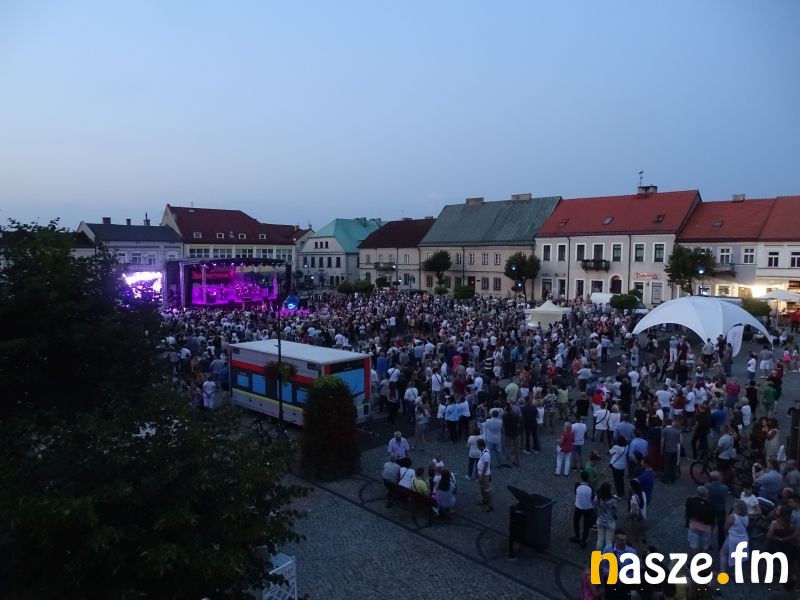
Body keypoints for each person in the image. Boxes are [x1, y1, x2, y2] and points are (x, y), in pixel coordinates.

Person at [600, 529, 638, 600]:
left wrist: (625, 577)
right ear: (615, 539)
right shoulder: (608, 549)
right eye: (621, 540)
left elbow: (636, 570)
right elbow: (603, 566)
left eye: (625, 540)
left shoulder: (632, 552)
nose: (623, 542)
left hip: (625, 584)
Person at [719, 500, 749, 574]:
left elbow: (725, 527)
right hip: (744, 539)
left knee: (723, 553)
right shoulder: (747, 517)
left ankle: (722, 573)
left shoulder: (733, 517)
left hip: (733, 538)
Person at [685, 486, 715, 555]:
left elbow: (686, 513)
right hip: (706, 528)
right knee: (705, 545)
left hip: (693, 525)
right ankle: (702, 558)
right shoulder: (710, 506)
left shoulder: (690, 501)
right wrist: (712, 527)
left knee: (693, 545)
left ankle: (693, 558)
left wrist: (686, 522)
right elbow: (713, 519)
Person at [570, 471, 595, 549]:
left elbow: (575, 492)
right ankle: (583, 541)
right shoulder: (591, 488)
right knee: (586, 526)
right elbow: (592, 498)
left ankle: (577, 536)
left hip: (578, 506)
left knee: (576, 522)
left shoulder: (577, 485)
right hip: (588, 508)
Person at [705, 471, 729, 550]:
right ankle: (721, 545)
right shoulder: (724, 488)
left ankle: (708, 544)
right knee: (721, 528)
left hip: (710, 509)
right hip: (721, 509)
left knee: (709, 527)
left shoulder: (707, 486)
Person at [595, 482, 618, 551]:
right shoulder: (613, 500)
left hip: (600, 520)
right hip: (610, 521)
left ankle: (597, 556)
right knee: (609, 542)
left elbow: (595, 507)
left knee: (600, 539)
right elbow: (616, 510)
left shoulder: (598, 498)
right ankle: (608, 556)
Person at [627, 479, 648, 547]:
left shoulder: (634, 498)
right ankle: (644, 544)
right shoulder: (643, 493)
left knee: (636, 535)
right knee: (642, 534)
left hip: (636, 520)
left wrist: (628, 516)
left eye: (629, 485)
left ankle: (638, 546)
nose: (628, 486)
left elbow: (633, 512)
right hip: (643, 517)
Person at [660, 419, 681, 484]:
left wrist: (661, 449)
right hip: (675, 450)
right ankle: (672, 478)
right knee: (673, 464)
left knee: (667, 464)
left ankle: (666, 479)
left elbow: (662, 441)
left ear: (665, 423)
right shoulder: (677, 431)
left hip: (668, 450)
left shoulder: (664, 430)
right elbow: (679, 442)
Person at [476, 438, 493, 512]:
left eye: (477, 446)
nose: (477, 447)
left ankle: (490, 506)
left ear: (481, 446)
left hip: (484, 475)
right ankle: (484, 500)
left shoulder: (486, 454)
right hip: (481, 474)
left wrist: (482, 476)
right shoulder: (483, 452)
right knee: (482, 488)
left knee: (487, 490)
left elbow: (485, 466)